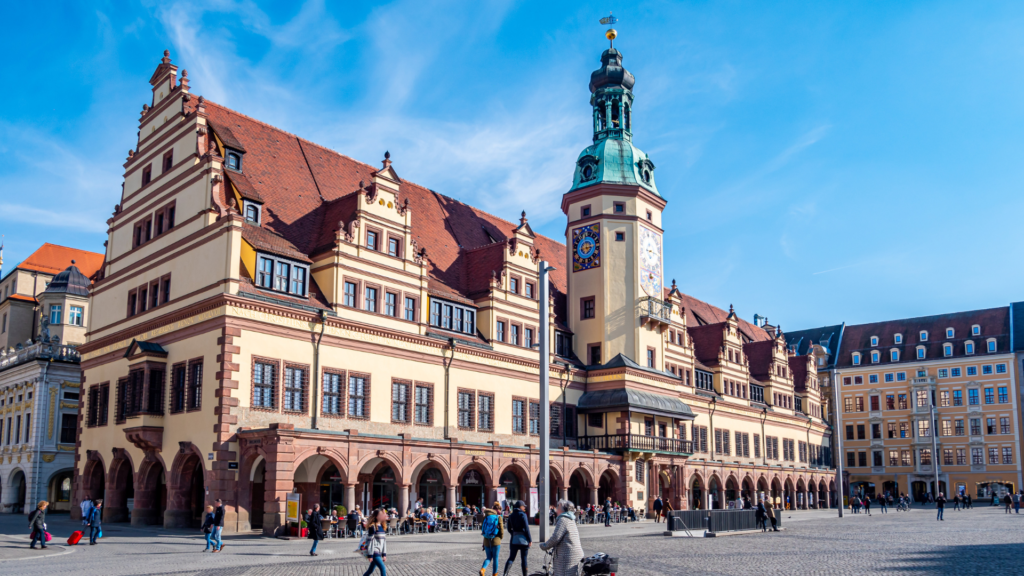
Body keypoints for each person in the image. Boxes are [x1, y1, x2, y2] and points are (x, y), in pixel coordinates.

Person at [540, 499, 584, 576]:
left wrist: (544, 546)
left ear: (562, 510)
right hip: (575, 554)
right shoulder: (571, 519)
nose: (556, 510)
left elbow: (555, 538)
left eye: (558, 508)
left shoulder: (563, 520)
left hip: (567, 556)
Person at [503, 500, 532, 576]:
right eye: (523, 506)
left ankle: (505, 574)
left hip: (514, 539)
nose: (524, 508)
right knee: (524, 559)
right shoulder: (523, 515)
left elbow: (509, 528)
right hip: (524, 540)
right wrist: (530, 539)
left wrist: (513, 533)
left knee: (511, 558)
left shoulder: (511, 515)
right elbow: (526, 528)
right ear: (520, 507)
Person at [480, 502, 505, 576]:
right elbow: (502, 530)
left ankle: (483, 569)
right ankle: (494, 574)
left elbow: (483, 529)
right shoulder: (498, 517)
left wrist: (484, 542)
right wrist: (500, 538)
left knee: (488, 557)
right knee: (495, 558)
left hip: (486, 540)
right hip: (496, 540)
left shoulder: (485, 517)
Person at [362, 508, 388, 576]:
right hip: (374, 552)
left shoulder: (382, 526)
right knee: (383, 568)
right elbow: (370, 542)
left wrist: (384, 554)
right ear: (376, 516)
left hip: (379, 552)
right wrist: (370, 555)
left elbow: (384, 542)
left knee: (370, 570)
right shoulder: (372, 527)